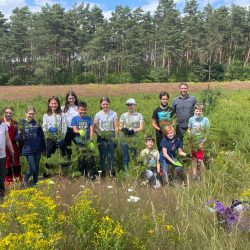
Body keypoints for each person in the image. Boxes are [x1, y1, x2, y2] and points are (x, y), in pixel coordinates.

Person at [16, 106, 46, 186]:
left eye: (33, 114)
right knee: (33, 168)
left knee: (36, 167)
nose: (31, 115)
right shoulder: (22, 123)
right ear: (26, 113)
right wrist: (20, 134)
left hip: (38, 148)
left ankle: (35, 182)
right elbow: (17, 138)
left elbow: (41, 136)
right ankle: (25, 179)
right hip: (28, 149)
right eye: (29, 114)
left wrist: (44, 148)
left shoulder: (36, 124)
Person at [94, 97, 118, 177]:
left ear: (109, 104)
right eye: (103, 104)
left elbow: (116, 127)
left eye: (106, 104)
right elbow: (95, 127)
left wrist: (116, 137)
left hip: (111, 134)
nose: (105, 106)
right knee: (102, 155)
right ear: (101, 104)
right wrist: (100, 135)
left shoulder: (113, 113)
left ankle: (111, 171)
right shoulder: (98, 114)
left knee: (110, 155)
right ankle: (103, 172)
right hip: (101, 135)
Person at [42, 96, 67, 174]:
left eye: (55, 103)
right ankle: (48, 172)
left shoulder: (62, 114)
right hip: (50, 138)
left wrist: (62, 138)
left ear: (58, 104)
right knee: (49, 154)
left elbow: (64, 126)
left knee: (62, 155)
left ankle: (62, 172)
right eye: (52, 103)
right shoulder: (46, 115)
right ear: (49, 104)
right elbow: (44, 126)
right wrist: (49, 129)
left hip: (60, 138)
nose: (53, 105)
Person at [71, 102, 96, 178]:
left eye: (85, 110)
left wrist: (91, 141)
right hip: (79, 142)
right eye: (81, 109)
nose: (83, 111)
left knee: (90, 159)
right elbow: (74, 130)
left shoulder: (88, 118)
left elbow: (91, 130)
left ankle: (91, 175)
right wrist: (79, 131)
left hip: (88, 142)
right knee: (81, 159)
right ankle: (82, 175)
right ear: (78, 109)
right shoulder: (75, 118)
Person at [119, 98, 144, 170]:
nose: (130, 106)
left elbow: (141, 127)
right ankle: (126, 173)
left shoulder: (139, 115)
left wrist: (133, 130)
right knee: (125, 156)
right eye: (128, 105)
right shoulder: (123, 115)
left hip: (134, 137)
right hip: (124, 137)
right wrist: (124, 129)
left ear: (134, 105)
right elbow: (120, 126)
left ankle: (133, 171)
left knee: (134, 155)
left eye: (131, 105)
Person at [188, 103, 210, 180]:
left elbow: (207, 132)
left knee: (200, 160)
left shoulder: (205, 120)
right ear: (194, 111)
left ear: (202, 111)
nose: (198, 112)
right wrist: (190, 137)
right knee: (193, 158)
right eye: (197, 111)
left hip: (201, 143)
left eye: (200, 111)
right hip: (193, 143)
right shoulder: (191, 119)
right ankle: (194, 174)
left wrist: (203, 142)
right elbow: (189, 129)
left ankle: (203, 176)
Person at [1, 107, 22, 183]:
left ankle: (18, 180)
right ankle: (8, 181)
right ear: (4, 113)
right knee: (6, 165)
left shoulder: (15, 123)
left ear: (12, 113)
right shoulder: (1, 122)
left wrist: (18, 136)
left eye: (10, 113)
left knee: (16, 163)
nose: (8, 114)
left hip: (13, 146)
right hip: (3, 147)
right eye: (7, 112)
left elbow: (17, 133)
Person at [62, 91, 79, 161]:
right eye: (69, 98)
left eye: (73, 98)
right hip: (66, 130)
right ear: (67, 99)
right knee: (67, 149)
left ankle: (79, 164)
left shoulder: (78, 108)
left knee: (79, 147)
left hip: (76, 130)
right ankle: (68, 164)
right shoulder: (63, 108)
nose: (71, 100)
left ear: (75, 99)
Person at [0, 118, 14, 198]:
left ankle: (1, 196)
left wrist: (12, 151)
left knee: (1, 177)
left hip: (2, 156)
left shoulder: (3, 125)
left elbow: (8, 139)